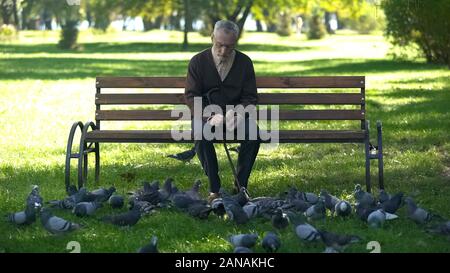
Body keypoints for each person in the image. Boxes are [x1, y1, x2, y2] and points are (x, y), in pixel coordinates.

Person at [184, 20, 260, 203]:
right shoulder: (198, 61)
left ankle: (240, 184)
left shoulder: (244, 62)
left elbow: (250, 97)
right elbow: (191, 95)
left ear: (236, 42)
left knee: (254, 135)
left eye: (229, 46)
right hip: (206, 115)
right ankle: (214, 188)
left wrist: (240, 113)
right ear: (212, 38)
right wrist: (209, 116)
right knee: (201, 136)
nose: (224, 51)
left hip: (236, 115)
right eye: (219, 45)